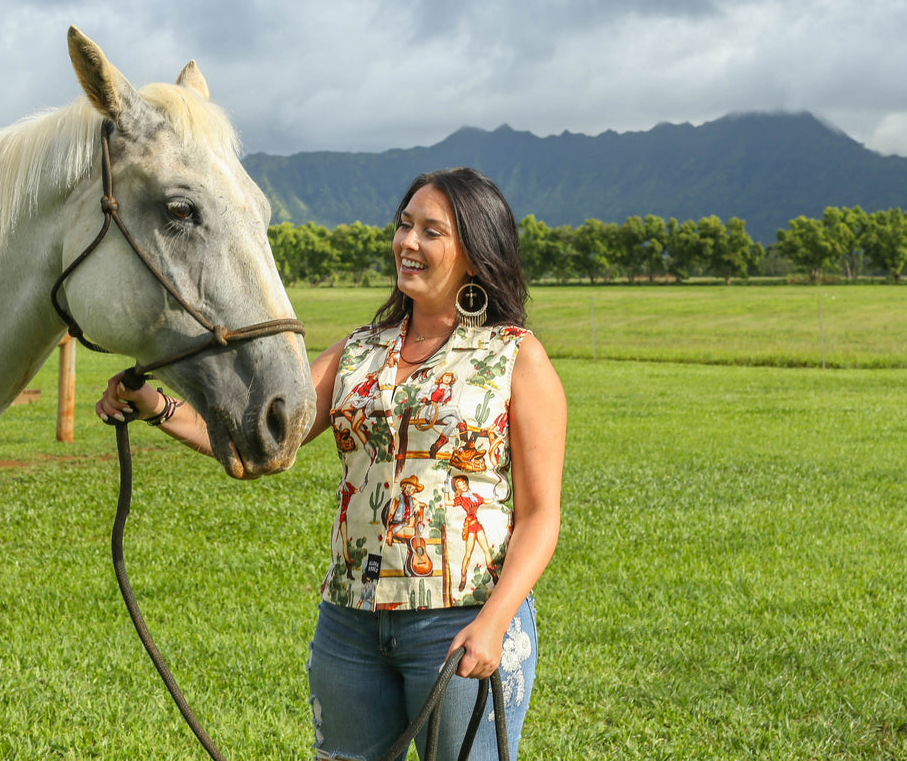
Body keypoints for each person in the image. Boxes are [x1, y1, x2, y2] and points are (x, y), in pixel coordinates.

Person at [96, 167, 566, 761]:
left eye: (431, 231)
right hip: (350, 625)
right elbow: (269, 440)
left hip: (460, 621)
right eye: (404, 225)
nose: (408, 242)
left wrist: (495, 621)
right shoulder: (359, 350)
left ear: (475, 254)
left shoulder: (516, 357)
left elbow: (540, 516)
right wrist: (155, 405)